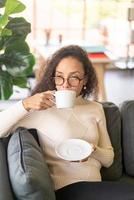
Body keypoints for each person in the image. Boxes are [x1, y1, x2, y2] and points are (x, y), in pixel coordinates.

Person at [0, 45, 133, 200]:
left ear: (85, 80)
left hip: (95, 187)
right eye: (59, 76)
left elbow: (109, 159)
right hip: (66, 190)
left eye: (74, 77)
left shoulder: (95, 108)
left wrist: (93, 150)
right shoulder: (41, 108)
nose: (65, 84)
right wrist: (25, 104)